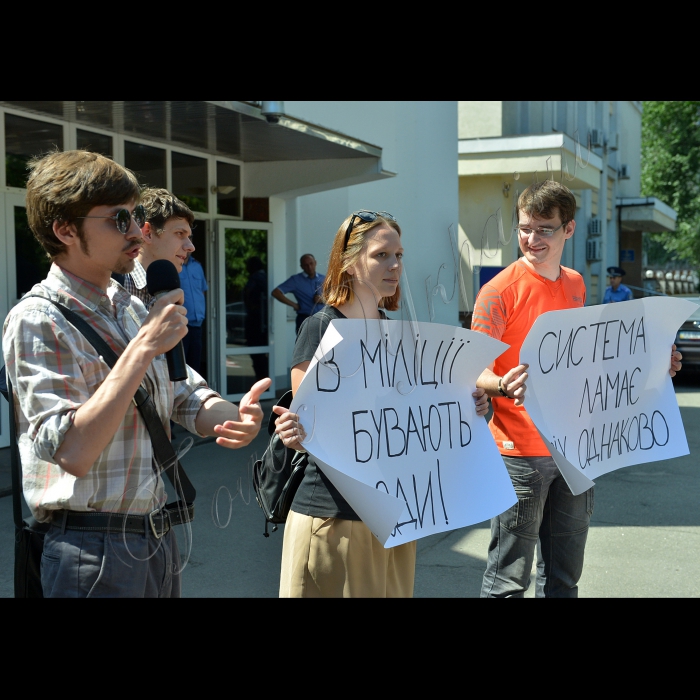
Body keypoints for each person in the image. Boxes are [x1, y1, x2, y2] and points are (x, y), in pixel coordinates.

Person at [2, 150, 270, 598]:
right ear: (65, 230)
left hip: (155, 535)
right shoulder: (38, 320)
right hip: (90, 547)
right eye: (118, 219)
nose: (135, 232)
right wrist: (145, 346)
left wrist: (231, 416)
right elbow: (73, 449)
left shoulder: (127, 304)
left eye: (136, 217)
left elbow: (181, 392)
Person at [272, 210, 512, 598]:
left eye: (399, 255)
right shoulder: (321, 328)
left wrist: (469, 405)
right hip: (334, 518)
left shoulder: (399, 333)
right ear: (348, 264)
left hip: (397, 517)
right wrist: (293, 433)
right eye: (381, 255)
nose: (395, 265)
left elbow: (416, 413)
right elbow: (306, 433)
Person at [471, 180, 682, 598]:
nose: (532, 239)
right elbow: (472, 368)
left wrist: (654, 365)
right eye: (524, 228)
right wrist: (499, 383)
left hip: (576, 449)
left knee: (565, 578)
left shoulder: (575, 283)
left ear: (568, 229)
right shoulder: (498, 292)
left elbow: (588, 359)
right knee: (507, 580)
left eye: (544, 229)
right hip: (520, 455)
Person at [117, 187, 195, 309]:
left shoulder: (168, 287)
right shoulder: (114, 285)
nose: (191, 247)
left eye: (189, 237)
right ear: (147, 233)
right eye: (180, 233)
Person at [271, 253, 325, 334]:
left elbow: (336, 297)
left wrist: (323, 299)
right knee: (306, 346)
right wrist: (294, 305)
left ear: (315, 263)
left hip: (323, 319)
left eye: (311, 264)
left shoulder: (324, 279)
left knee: (326, 346)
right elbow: (276, 292)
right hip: (305, 319)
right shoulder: (295, 280)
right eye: (306, 265)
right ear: (301, 266)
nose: (309, 267)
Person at [180, 249, 208, 374]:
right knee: (181, 367)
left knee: (195, 367)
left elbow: (202, 291)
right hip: (180, 325)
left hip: (197, 325)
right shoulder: (174, 266)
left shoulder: (197, 266)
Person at [243, 256, 269, 381]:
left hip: (256, 322)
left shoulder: (256, 279)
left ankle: (262, 379)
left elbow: (249, 296)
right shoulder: (264, 278)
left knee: (258, 355)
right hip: (260, 321)